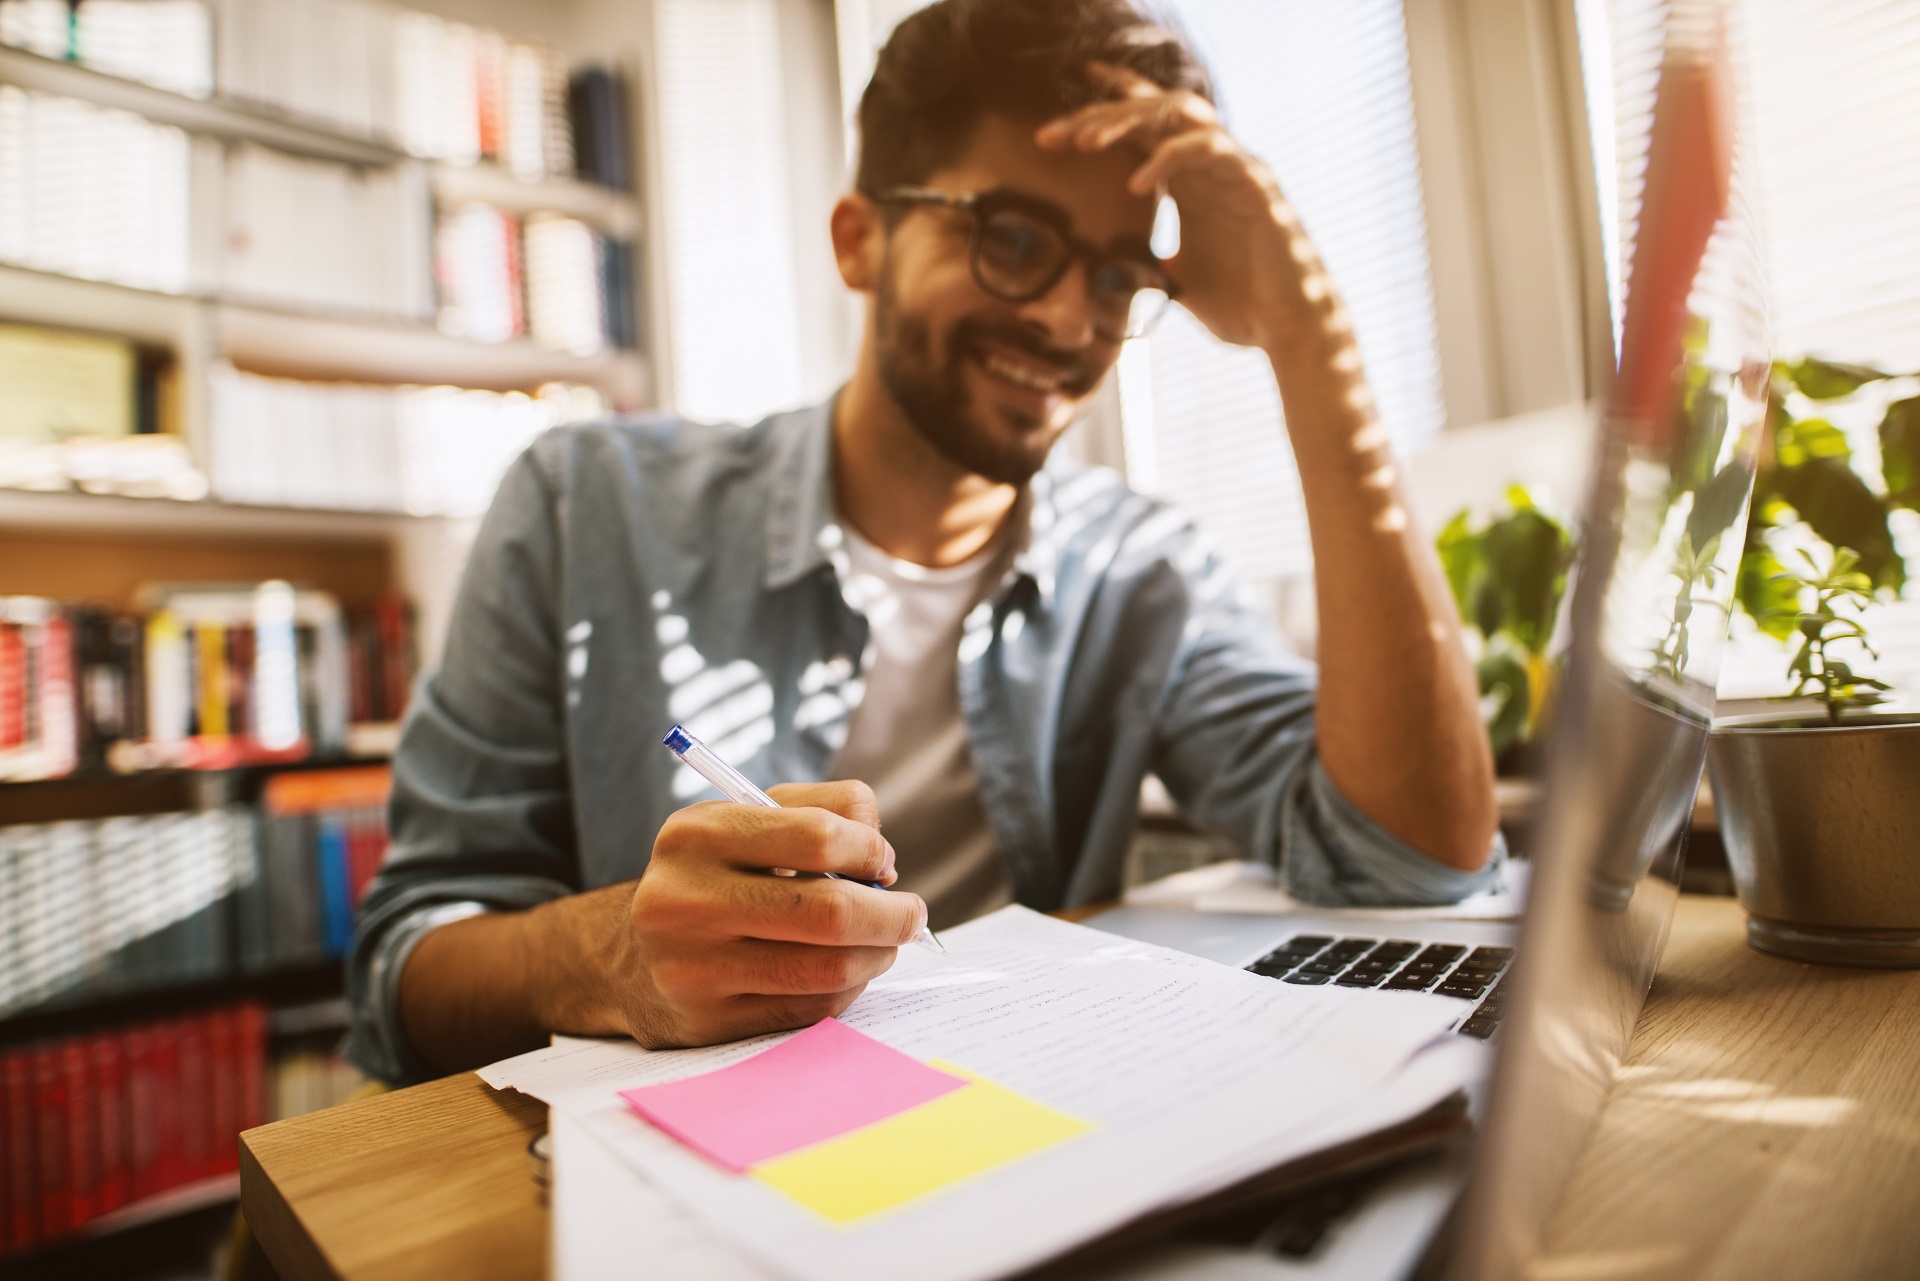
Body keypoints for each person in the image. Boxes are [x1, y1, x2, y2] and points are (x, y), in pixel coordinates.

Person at [344, 0, 1500, 1084]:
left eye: (1116, 274)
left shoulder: (1141, 569)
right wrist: (612, 960)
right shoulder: (584, 506)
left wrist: (1309, 338)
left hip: (1023, 1145)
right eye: (1012, 237)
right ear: (861, 240)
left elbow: (1411, 866)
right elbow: (402, 975)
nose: (1066, 320)